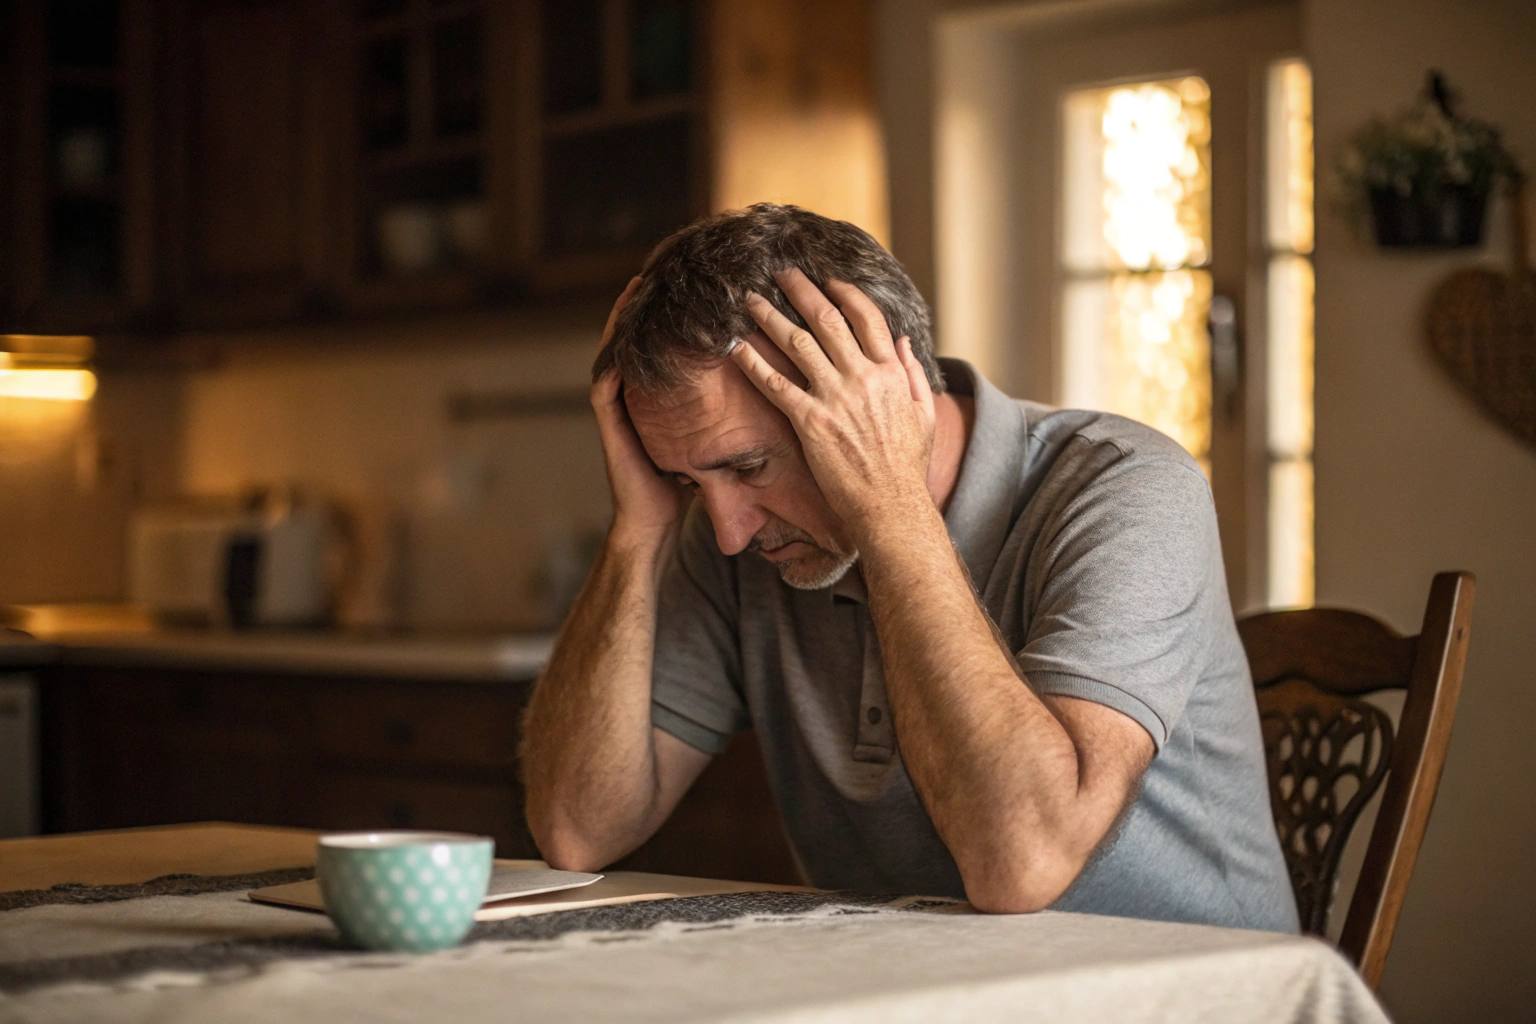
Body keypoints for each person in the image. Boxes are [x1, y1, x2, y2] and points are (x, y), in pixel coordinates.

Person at [521, 203, 1299, 931]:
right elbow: (578, 830)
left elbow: (1020, 864)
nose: (728, 533)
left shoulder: (1127, 487)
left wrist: (889, 503)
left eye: (752, 466)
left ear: (881, 398)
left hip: (1191, 997)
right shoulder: (732, 531)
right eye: (692, 482)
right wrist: (640, 528)